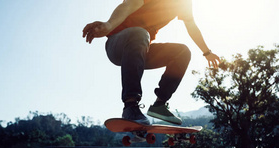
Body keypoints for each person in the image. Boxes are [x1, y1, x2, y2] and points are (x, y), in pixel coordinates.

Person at [83, 0, 220, 125]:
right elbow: (129, 4)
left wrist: (207, 52)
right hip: (117, 44)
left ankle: (159, 105)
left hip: (141, 49)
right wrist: (109, 25)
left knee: (182, 52)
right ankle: (130, 106)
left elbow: (191, 25)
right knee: (140, 33)